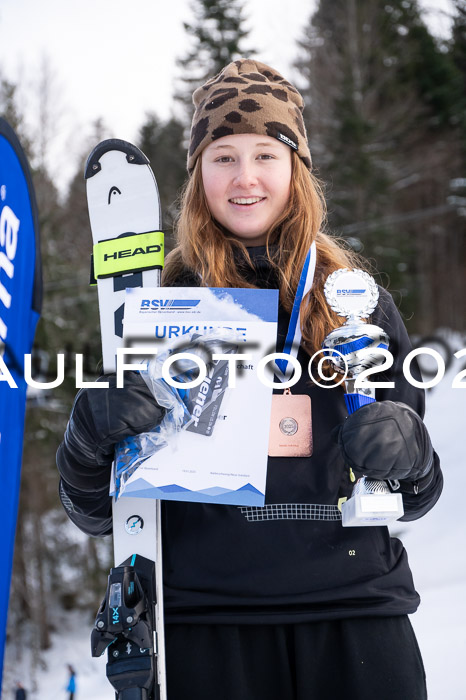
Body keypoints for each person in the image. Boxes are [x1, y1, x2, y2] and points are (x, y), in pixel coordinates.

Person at [57, 59, 442, 699]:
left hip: (354, 618)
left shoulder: (354, 302)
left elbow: (416, 494)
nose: (245, 178)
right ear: (197, 173)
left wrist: (409, 451)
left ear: (296, 168)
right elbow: (99, 514)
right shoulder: (156, 304)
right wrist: (87, 439)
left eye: (266, 153)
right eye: (223, 156)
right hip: (206, 627)